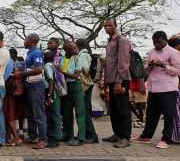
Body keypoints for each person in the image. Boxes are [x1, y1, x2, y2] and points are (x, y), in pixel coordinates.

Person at [132, 31, 180, 149]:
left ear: (165, 40)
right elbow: (145, 70)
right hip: (154, 88)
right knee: (151, 114)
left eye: (159, 42)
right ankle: (146, 136)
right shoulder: (152, 52)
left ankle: (166, 139)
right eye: (154, 42)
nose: (156, 45)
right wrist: (150, 66)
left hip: (168, 88)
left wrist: (164, 65)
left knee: (169, 115)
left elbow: (178, 71)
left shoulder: (173, 52)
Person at [102, 18, 132, 148]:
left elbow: (123, 63)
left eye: (110, 25)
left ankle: (125, 137)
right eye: (105, 26)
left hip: (120, 80)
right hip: (111, 80)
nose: (107, 27)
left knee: (123, 109)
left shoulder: (122, 40)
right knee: (113, 110)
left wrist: (119, 82)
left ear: (115, 25)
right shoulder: (110, 41)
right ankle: (117, 134)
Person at [19, 33, 47, 149]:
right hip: (29, 86)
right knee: (30, 113)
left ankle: (43, 139)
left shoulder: (36, 52)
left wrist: (21, 73)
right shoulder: (29, 53)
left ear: (31, 40)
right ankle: (32, 135)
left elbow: (39, 69)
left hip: (36, 86)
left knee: (38, 113)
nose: (24, 41)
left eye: (25, 39)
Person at [57, 41, 86, 146]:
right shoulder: (62, 58)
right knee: (66, 113)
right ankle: (68, 135)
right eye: (73, 48)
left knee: (80, 113)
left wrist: (62, 72)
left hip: (76, 86)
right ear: (66, 50)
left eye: (75, 47)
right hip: (65, 87)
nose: (76, 50)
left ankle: (81, 138)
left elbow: (76, 75)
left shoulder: (78, 58)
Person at [75, 39, 99, 144]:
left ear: (78, 46)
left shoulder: (83, 55)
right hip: (87, 85)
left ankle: (92, 135)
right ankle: (85, 134)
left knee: (85, 111)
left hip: (84, 86)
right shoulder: (86, 54)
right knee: (84, 110)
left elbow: (85, 70)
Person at [3, 48, 23, 146]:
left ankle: (16, 138)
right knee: (12, 115)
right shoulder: (19, 64)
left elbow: (5, 78)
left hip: (9, 91)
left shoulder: (9, 63)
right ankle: (9, 137)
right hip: (17, 93)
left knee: (9, 115)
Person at [43, 51, 61, 148]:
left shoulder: (47, 66)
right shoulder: (53, 65)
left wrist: (49, 95)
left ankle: (54, 139)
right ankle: (56, 136)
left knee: (53, 116)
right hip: (54, 93)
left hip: (52, 94)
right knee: (54, 115)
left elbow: (51, 80)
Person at [167, 36, 180, 143]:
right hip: (174, 88)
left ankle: (174, 135)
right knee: (175, 113)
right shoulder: (172, 56)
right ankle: (174, 136)